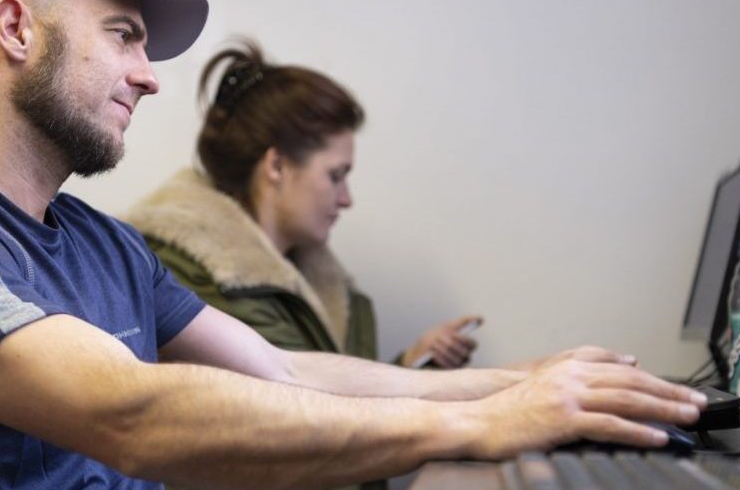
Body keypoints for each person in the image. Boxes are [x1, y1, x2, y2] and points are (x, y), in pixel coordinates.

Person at [0, 0, 706, 490]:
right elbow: (132, 418)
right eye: (123, 36)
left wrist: (530, 384)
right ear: (18, 29)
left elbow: (289, 373)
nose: (150, 78)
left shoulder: (101, 246)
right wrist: (475, 422)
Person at [123, 40, 479, 371]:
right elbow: (306, 414)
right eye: (335, 176)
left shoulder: (321, 285)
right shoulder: (190, 279)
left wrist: (412, 364)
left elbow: (336, 411)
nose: (346, 199)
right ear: (277, 166)